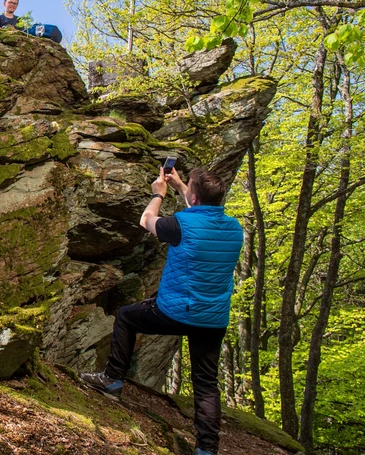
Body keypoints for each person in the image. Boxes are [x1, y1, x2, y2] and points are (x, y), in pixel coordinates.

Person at [79, 166, 243, 455]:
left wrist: (159, 193)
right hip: (213, 318)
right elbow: (204, 213)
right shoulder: (233, 228)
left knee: (127, 316)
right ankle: (207, 449)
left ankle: (113, 379)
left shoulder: (179, 224)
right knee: (206, 384)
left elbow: (147, 220)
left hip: (175, 312)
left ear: (193, 197)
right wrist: (182, 186)